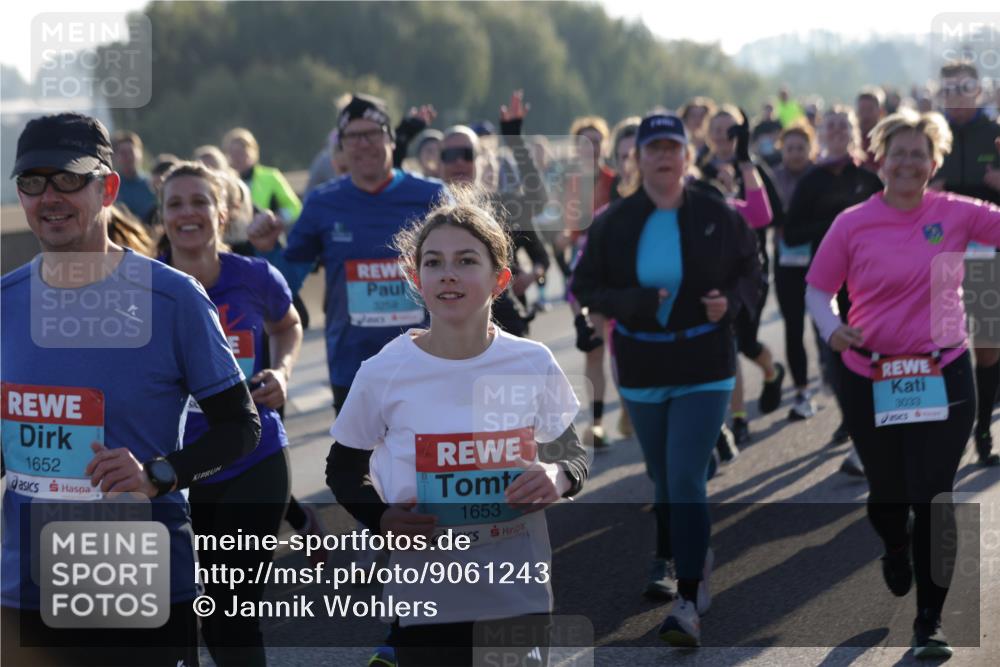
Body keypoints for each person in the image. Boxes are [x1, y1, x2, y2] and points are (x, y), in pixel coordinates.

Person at [1, 112, 260, 666]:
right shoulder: (6, 302)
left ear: (109, 188)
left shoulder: (173, 298)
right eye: (33, 181)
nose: (50, 197)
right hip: (25, 588)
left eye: (68, 178)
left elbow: (241, 428)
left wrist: (157, 475)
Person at [326, 186, 588, 666]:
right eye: (434, 262)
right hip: (426, 603)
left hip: (517, 595)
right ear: (416, 278)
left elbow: (571, 451)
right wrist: (381, 519)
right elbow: (343, 469)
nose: (448, 273)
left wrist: (559, 476)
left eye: (466, 261)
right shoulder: (384, 371)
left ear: (500, 279)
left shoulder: (531, 361)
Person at [806, 109, 1000, 659]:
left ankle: (929, 621)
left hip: (944, 372)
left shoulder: (957, 212)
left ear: (934, 163)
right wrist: (832, 328)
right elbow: (818, 289)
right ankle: (895, 544)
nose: (909, 163)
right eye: (899, 154)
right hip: (869, 373)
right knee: (888, 497)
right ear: (880, 160)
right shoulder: (852, 223)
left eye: (920, 154)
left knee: (934, 497)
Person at [572, 113, 762, 647]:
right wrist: (629, 302)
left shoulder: (715, 213)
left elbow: (752, 269)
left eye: (671, 147)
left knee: (683, 478)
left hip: (705, 363)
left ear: (686, 155)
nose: (662, 156)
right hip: (642, 365)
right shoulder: (614, 220)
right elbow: (585, 285)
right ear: (638, 158)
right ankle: (694, 546)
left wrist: (732, 304)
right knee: (662, 476)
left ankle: (688, 600)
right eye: (652, 148)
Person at [159, 162, 302, 666]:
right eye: (175, 204)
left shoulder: (255, 276)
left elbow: (288, 325)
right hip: (174, 469)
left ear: (223, 212)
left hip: (253, 457)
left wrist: (282, 371)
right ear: (162, 217)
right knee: (188, 613)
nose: (188, 213)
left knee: (232, 611)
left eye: (200, 201)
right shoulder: (144, 285)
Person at [266, 93, 445, 414]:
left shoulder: (431, 196)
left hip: (426, 363)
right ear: (342, 146)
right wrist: (266, 248)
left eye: (372, 134)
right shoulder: (322, 202)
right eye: (352, 137)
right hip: (352, 367)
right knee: (355, 450)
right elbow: (286, 281)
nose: (363, 144)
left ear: (391, 139)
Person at [785, 106, 884, 474]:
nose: (839, 131)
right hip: (827, 283)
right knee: (837, 360)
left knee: (871, 354)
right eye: (832, 126)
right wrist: (837, 227)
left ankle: (872, 430)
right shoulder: (811, 181)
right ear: (822, 134)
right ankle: (854, 423)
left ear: (854, 132)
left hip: (870, 282)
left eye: (845, 125)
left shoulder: (869, 178)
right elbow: (791, 233)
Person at [698, 106, 785, 445]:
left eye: (731, 128)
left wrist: (745, 163)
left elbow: (768, 214)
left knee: (746, 343)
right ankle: (738, 419)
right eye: (717, 128)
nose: (724, 134)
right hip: (712, 275)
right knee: (729, 345)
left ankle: (771, 371)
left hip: (750, 274)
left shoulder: (751, 166)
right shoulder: (698, 170)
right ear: (708, 134)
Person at [932, 60, 1000, 466]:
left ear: (978, 90)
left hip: (986, 255)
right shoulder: (930, 134)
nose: (956, 95)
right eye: (950, 88)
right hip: (938, 255)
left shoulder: (994, 133)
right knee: (940, 346)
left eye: (964, 87)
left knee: (987, 348)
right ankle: (943, 431)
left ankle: (983, 429)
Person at [771, 123, 819, 420]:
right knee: (793, 326)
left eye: (801, 148)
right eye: (790, 148)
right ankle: (802, 388)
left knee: (824, 323)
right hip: (786, 262)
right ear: (782, 150)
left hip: (820, 260)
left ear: (810, 149)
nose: (796, 153)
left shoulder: (820, 176)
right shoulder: (773, 178)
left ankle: (830, 372)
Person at [223, 127, 302, 226]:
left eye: (242, 153)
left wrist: (277, 219)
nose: (237, 158)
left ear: (253, 152)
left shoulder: (270, 176)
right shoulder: (224, 180)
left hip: (265, 230)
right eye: (233, 154)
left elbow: (295, 207)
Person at [111, 130, 158, 222]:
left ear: (140, 154)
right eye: (123, 153)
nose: (128, 157)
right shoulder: (111, 186)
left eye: (131, 152)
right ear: (115, 157)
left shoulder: (152, 185)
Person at [856, 87, 885, 172]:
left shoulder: (887, 139)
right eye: (862, 109)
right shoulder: (850, 140)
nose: (865, 114)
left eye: (870, 109)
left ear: (880, 112)